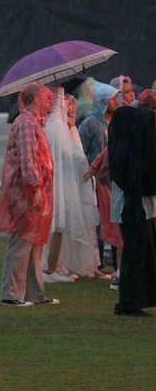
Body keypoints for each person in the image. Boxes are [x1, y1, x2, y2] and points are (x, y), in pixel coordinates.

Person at [0, 84, 58, 306]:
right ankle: (11, 294)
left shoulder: (35, 124)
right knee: (22, 242)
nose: (50, 103)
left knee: (34, 243)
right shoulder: (26, 123)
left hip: (35, 191)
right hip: (26, 192)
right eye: (46, 98)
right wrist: (35, 189)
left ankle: (34, 293)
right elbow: (27, 160)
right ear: (36, 99)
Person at [42, 89, 100, 282]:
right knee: (56, 227)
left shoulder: (62, 126)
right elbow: (68, 156)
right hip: (57, 186)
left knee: (60, 227)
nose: (72, 106)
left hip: (63, 185)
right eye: (68, 102)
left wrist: (71, 128)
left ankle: (54, 266)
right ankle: (49, 269)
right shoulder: (56, 126)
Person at [108, 105, 156, 316]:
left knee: (140, 251)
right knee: (135, 253)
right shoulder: (131, 159)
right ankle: (129, 302)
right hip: (134, 205)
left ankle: (134, 300)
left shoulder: (124, 153)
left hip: (136, 204)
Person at [78, 81, 122, 278]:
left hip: (115, 181)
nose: (116, 101)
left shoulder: (119, 122)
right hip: (95, 182)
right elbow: (80, 150)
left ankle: (116, 264)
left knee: (115, 221)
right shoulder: (90, 123)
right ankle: (99, 263)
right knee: (98, 221)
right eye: (113, 98)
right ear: (103, 100)